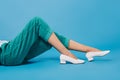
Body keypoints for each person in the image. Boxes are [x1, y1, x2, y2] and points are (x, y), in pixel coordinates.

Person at [0, 17, 110, 66]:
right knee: (36, 22)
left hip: (14, 54)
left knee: (50, 38)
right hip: (7, 53)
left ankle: (89, 50)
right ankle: (67, 55)